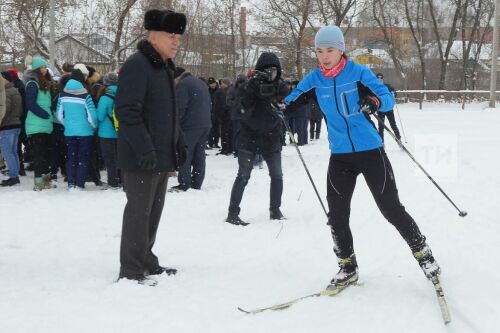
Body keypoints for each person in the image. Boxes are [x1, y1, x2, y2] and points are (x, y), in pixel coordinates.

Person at [285, 26, 440, 290]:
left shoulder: (358, 73)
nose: (324, 56)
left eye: (330, 50)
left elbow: (387, 97)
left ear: (341, 50)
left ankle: (425, 256)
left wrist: (375, 103)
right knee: (336, 215)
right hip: (341, 156)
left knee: (391, 209)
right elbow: (291, 100)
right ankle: (347, 267)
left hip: (370, 151)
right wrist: (278, 105)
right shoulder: (314, 79)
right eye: (319, 51)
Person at [115, 9, 187, 285]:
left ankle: (146, 258)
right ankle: (131, 270)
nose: (176, 41)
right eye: (171, 36)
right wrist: (145, 149)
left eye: (178, 36)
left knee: (153, 212)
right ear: (153, 36)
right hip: (140, 157)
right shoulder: (138, 64)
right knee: (138, 212)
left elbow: (168, 113)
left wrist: (177, 142)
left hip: (160, 155)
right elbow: (127, 111)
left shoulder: (163, 67)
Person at [225, 52, 289, 226]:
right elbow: (236, 112)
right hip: (249, 138)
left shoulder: (281, 86)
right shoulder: (248, 86)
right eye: (267, 71)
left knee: (277, 175)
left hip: (272, 138)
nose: (271, 74)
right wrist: (249, 94)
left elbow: (289, 106)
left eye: (274, 71)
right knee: (243, 176)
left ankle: (275, 210)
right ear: (259, 70)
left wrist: (280, 104)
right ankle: (232, 212)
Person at [170, 67, 211, 192]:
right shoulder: (200, 83)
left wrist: (176, 124)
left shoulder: (183, 85)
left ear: (177, 77)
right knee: (199, 154)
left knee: (185, 153)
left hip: (190, 125)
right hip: (205, 124)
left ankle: (184, 183)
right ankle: (197, 182)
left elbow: (180, 108)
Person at [56, 65, 97, 190]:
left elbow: (58, 115)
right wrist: (93, 127)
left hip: (69, 132)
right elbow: (92, 116)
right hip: (85, 132)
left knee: (71, 157)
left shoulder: (62, 95)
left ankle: (71, 183)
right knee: (83, 157)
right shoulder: (86, 96)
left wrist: (67, 123)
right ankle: (79, 184)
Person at [24, 56, 55, 191]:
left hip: (46, 124)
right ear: (36, 68)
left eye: (45, 67)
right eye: (42, 67)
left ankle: (45, 180)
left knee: (46, 154)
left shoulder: (44, 83)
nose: (44, 69)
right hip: (36, 124)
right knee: (39, 154)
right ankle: (38, 183)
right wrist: (45, 114)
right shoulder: (32, 83)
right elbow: (30, 104)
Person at [96, 72, 120, 189]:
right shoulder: (123, 95)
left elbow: (99, 117)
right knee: (119, 158)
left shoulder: (105, 98)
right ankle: (121, 180)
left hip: (106, 133)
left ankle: (113, 182)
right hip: (120, 132)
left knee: (110, 159)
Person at [0, 72, 22, 186]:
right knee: (13, 151)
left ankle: (13, 176)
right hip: (16, 125)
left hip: (7, 126)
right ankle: (15, 173)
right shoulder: (15, 90)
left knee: (8, 152)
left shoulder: (7, 92)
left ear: (6, 79)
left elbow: (5, 110)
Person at [375, 73, 400, 142]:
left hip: (389, 109)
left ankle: (398, 139)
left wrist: (394, 94)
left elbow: (395, 93)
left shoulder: (387, 86)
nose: (380, 79)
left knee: (393, 125)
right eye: (378, 78)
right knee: (381, 127)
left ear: (383, 79)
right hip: (381, 110)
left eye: (381, 78)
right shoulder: (374, 87)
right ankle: (381, 142)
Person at [226, 74, 246, 156]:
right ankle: (236, 150)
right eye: (239, 82)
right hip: (236, 115)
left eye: (242, 82)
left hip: (246, 115)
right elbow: (228, 101)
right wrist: (237, 103)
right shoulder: (232, 90)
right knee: (237, 133)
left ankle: (244, 149)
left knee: (245, 134)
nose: (241, 84)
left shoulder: (247, 89)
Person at [214, 78, 232, 155]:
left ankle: (225, 149)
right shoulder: (229, 90)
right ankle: (228, 148)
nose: (220, 84)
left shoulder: (224, 91)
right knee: (227, 132)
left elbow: (222, 105)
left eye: (222, 83)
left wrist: (220, 115)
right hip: (229, 115)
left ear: (225, 84)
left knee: (225, 133)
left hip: (226, 115)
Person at [207, 77, 220, 149]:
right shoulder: (207, 91)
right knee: (210, 129)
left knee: (217, 128)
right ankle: (210, 142)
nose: (212, 85)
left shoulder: (218, 91)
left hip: (217, 112)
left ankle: (216, 142)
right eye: (211, 84)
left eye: (213, 83)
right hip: (209, 112)